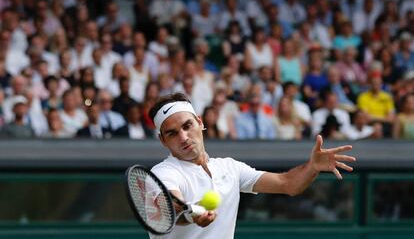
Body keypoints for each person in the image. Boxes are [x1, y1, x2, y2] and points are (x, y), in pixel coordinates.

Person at [148, 92, 355, 239]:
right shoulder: (163, 173)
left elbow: (288, 184)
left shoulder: (229, 168)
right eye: (172, 133)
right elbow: (171, 209)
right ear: (163, 141)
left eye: (187, 126)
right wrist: (191, 216)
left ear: (200, 123)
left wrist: (312, 166)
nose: (183, 137)